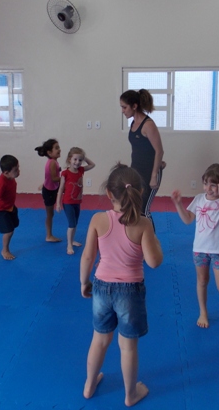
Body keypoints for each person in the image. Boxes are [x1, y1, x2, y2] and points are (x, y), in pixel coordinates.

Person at [80, 163, 163, 407]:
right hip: (130, 291)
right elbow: (154, 262)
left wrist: (84, 282)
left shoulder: (98, 219)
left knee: (99, 340)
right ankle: (130, 395)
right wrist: (156, 241)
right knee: (127, 347)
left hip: (101, 287)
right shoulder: (143, 224)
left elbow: (88, 256)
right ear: (140, 192)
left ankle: (89, 385)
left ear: (109, 193)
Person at [171, 163, 219, 330]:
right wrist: (178, 204)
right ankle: (203, 312)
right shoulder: (199, 199)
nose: (208, 189)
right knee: (202, 281)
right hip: (200, 249)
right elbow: (188, 220)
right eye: (205, 184)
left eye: (213, 185)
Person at [120, 89, 165, 228]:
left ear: (134, 106)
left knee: (144, 210)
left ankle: (152, 240)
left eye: (124, 107)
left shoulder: (148, 125)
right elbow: (140, 149)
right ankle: (139, 238)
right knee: (134, 207)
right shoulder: (133, 124)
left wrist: (154, 175)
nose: (122, 111)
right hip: (136, 172)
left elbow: (159, 151)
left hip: (150, 174)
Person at [56, 147, 95, 255]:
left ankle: (72, 240)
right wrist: (58, 203)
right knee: (72, 224)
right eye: (75, 159)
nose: (77, 162)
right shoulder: (65, 173)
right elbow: (61, 189)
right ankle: (69, 244)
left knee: (75, 223)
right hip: (67, 202)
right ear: (69, 159)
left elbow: (92, 165)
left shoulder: (81, 170)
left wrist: (84, 157)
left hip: (77, 202)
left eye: (80, 160)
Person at [0, 155, 20, 261]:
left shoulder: (10, 177)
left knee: (15, 225)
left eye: (18, 168)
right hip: (1, 210)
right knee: (9, 231)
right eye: (16, 170)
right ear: (6, 172)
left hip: (10, 207)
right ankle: (5, 250)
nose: (19, 171)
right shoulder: (1, 183)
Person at [35, 138, 62, 242]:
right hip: (49, 191)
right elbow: (54, 178)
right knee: (50, 214)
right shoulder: (52, 163)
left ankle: (49, 235)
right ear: (50, 152)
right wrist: (65, 178)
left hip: (52, 188)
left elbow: (50, 176)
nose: (59, 149)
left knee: (51, 214)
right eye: (56, 148)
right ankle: (49, 236)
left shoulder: (54, 161)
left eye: (59, 147)